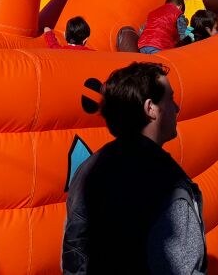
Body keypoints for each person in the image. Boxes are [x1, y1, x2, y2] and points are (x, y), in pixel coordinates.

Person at [62, 62, 207, 275]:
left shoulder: (88, 170)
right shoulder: (165, 181)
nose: (177, 108)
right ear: (150, 109)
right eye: (170, 99)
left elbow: (73, 250)